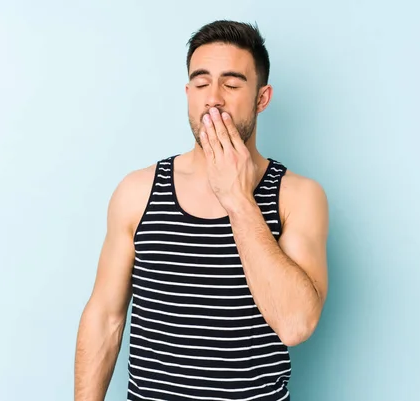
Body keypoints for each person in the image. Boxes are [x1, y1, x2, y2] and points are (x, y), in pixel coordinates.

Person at [74, 20, 329, 401]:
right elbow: (106, 319)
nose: (213, 98)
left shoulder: (297, 196)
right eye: (201, 82)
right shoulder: (137, 191)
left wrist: (239, 199)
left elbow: (294, 325)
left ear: (262, 98)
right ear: (188, 91)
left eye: (231, 83)